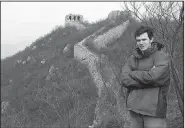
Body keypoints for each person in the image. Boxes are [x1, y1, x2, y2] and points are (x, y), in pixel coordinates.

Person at [121, 26, 170, 128]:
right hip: (134, 110)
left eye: (144, 39)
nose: (141, 43)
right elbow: (124, 79)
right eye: (138, 40)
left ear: (151, 39)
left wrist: (134, 73)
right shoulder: (132, 58)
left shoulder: (161, 57)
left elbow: (154, 77)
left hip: (153, 111)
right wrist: (147, 79)